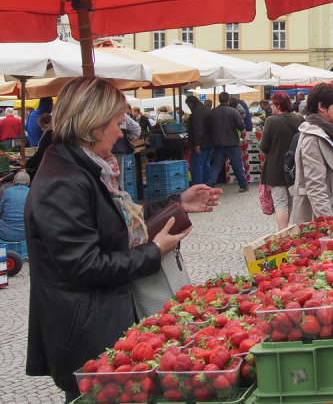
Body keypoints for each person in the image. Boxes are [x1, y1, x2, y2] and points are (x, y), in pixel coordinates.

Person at [24, 77, 221, 402]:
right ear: (93, 126)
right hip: (88, 332)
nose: (122, 133)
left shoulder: (86, 169)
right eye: (117, 123)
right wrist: (155, 251)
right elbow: (84, 266)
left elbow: (114, 221)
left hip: (101, 321)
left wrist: (177, 204)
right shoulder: (63, 183)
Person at [289, 83, 333, 224]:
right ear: (321, 106)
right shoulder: (312, 137)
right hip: (325, 213)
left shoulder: (330, 131)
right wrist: (329, 222)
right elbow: (315, 185)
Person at [259, 91, 304, 230]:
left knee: (280, 203)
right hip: (294, 167)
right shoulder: (299, 118)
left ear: (278, 104)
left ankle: (283, 235)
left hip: (276, 167)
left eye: (273, 103)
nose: (271, 106)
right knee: (291, 203)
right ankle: (290, 232)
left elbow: (264, 146)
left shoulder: (271, 121)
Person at [205, 91, 249, 192]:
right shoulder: (233, 111)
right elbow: (242, 126)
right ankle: (243, 185)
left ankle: (209, 185)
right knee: (237, 165)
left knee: (216, 165)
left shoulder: (213, 112)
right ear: (228, 100)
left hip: (218, 143)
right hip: (232, 142)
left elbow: (208, 127)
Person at [0, 171, 30, 260]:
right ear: (29, 182)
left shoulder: (6, 192)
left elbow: (1, 212)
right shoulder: (32, 193)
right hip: (25, 234)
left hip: (5, 234)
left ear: (13, 182)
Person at [185, 95, 213, 187]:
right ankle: (207, 183)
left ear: (190, 104)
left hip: (201, 143)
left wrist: (197, 144)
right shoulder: (207, 109)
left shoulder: (196, 112)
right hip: (209, 142)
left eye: (188, 105)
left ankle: (198, 185)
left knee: (197, 164)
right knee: (206, 163)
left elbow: (198, 128)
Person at [111, 105, 141, 185]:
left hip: (105, 149)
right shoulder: (122, 114)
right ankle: (119, 195)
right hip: (119, 148)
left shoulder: (98, 112)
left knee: (107, 178)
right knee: (118, 178)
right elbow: (137, 129)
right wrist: (128, 140)